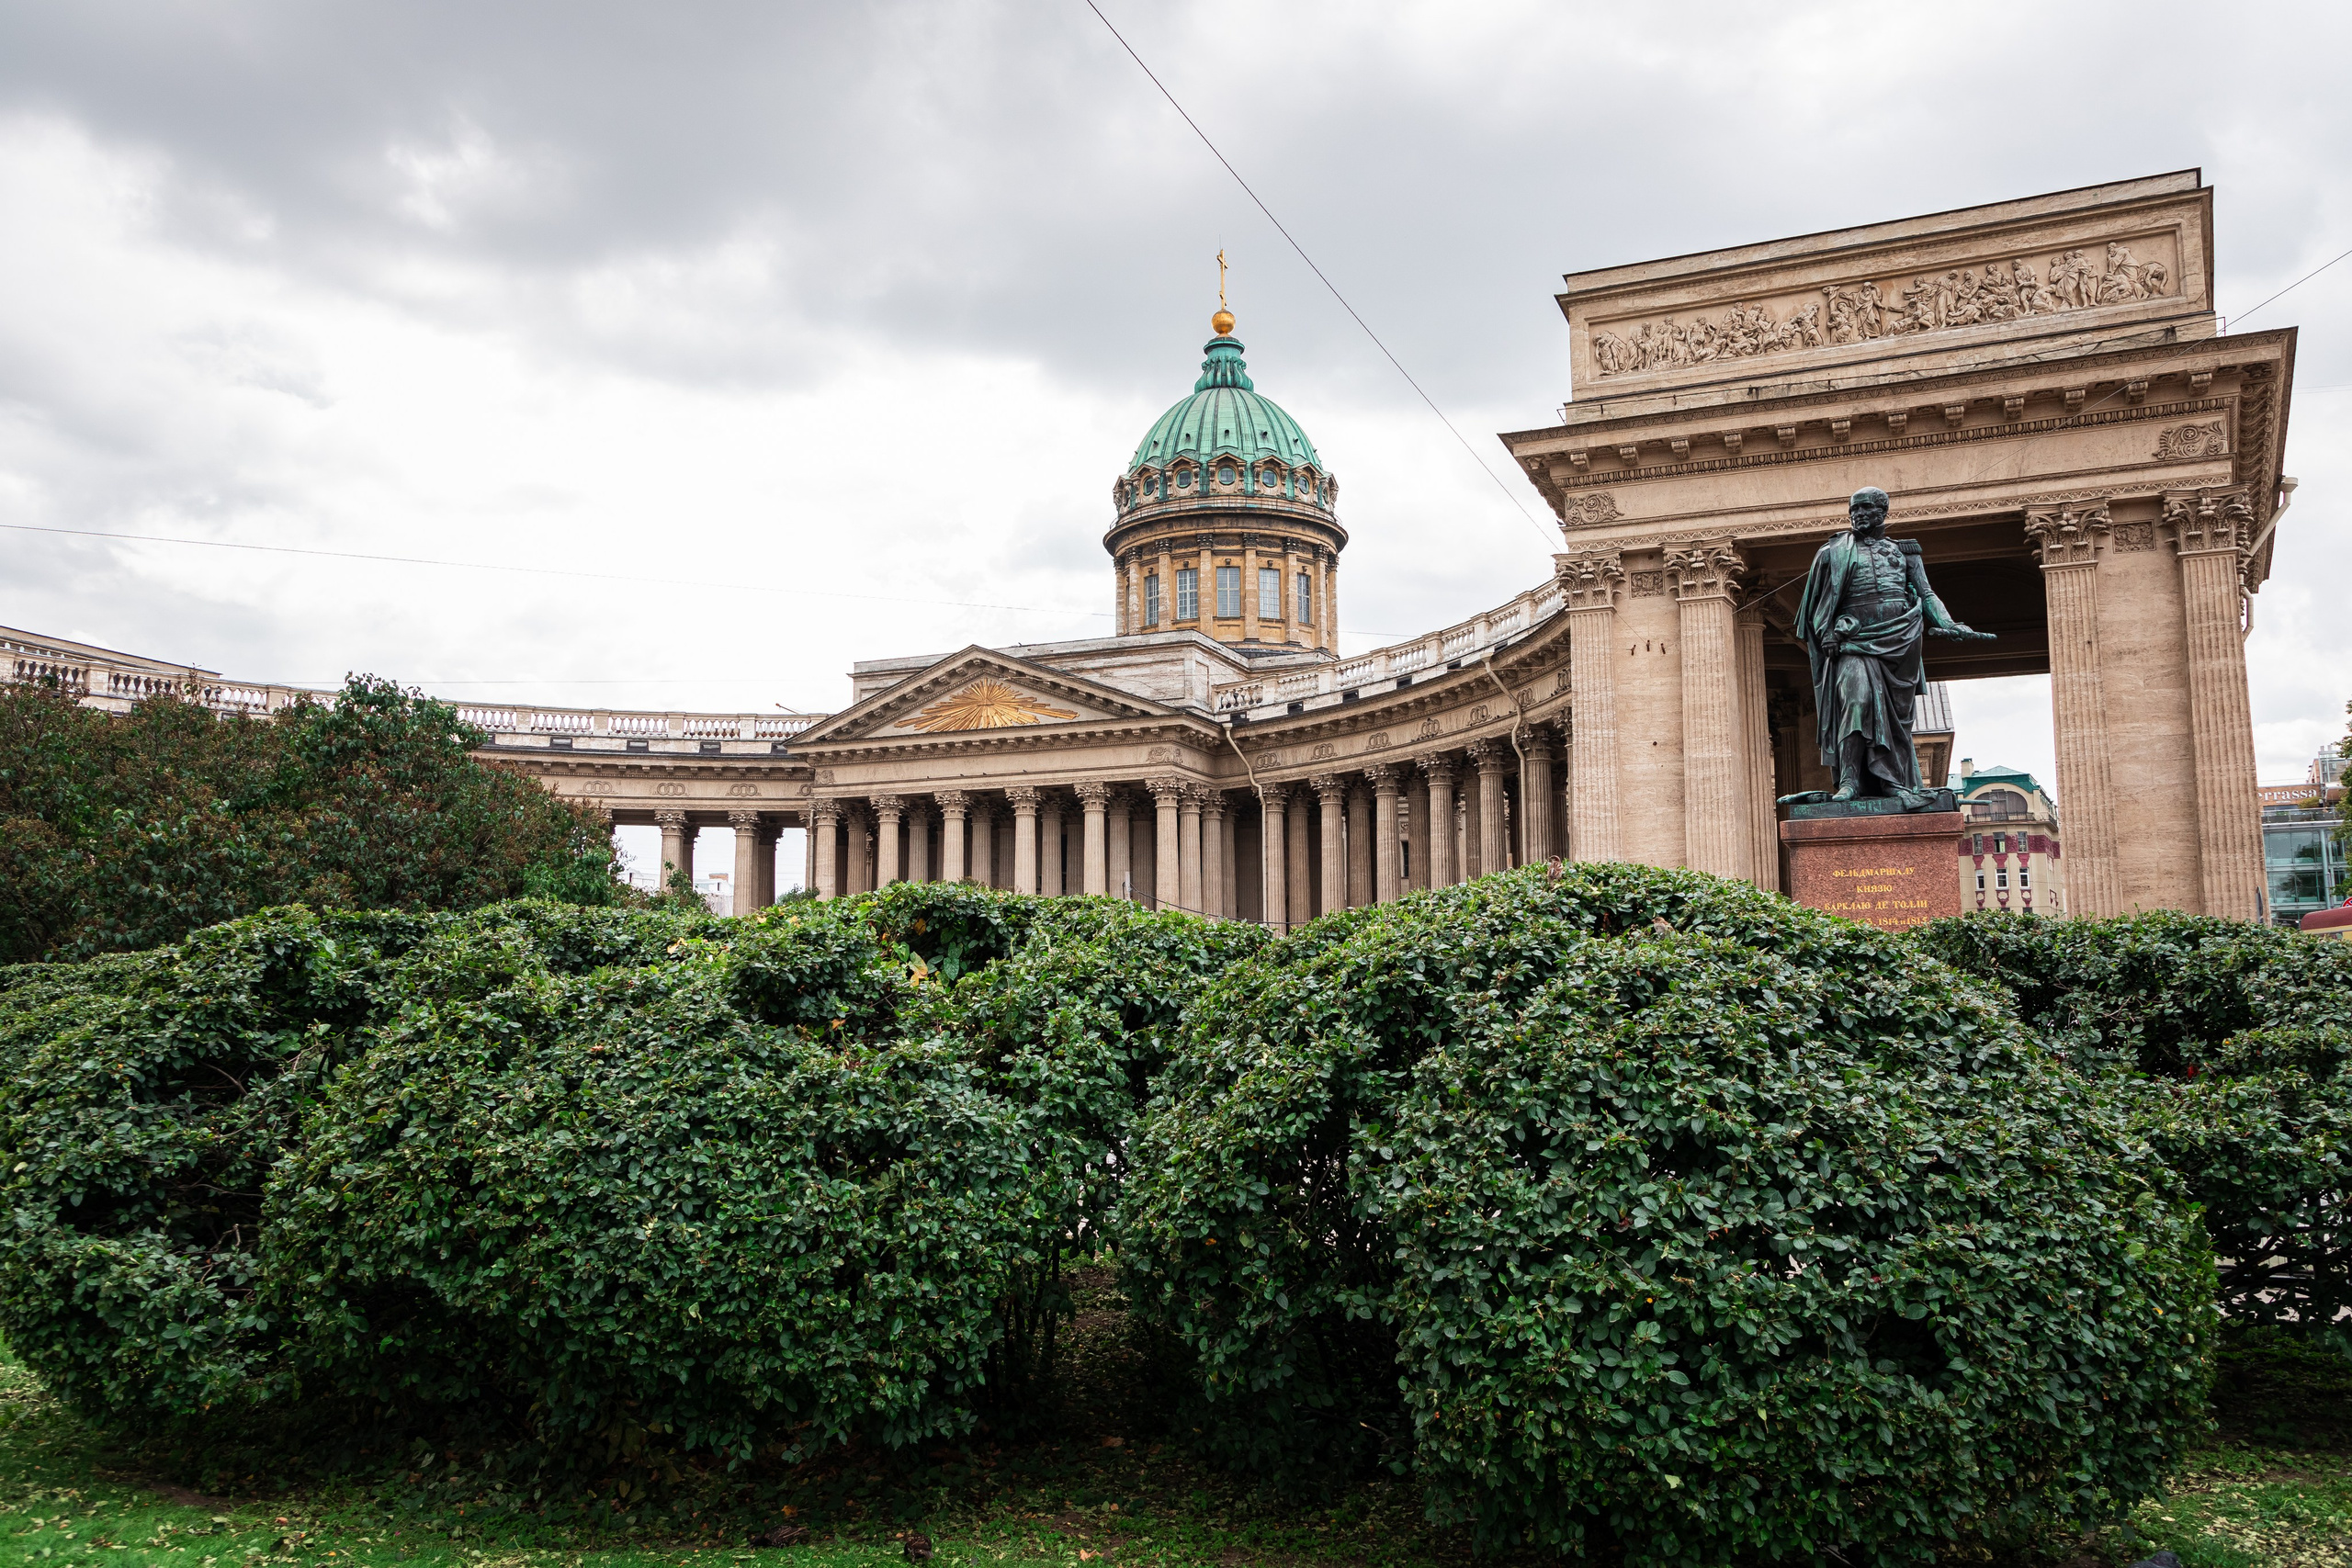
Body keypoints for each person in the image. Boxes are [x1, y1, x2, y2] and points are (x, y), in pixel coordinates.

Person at [1787, 487, 1995, 804]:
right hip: (1854, 643)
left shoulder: (1905, 552)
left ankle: (1891, 783)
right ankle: (1849, 781)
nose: (1858, 515)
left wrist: (1948, 623)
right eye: (1854, 509)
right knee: (1855, 702)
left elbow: (1925, 595)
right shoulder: (1832, 552)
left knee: (1894, 720)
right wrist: (1829, 630)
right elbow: (1813, 609)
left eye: (1866, 508)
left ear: (1883, 511)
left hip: (1899, 643)